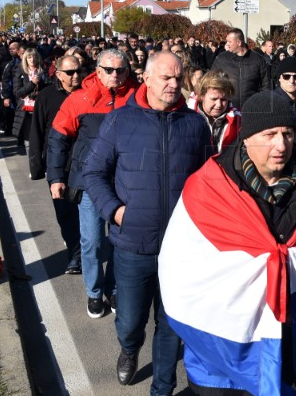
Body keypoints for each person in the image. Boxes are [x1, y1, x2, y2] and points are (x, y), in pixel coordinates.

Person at [158, 90, 296, 396]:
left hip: (294, 334)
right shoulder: (208, 186)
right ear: (247, 138)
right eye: (269, 135)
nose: (281, 145)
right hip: (227, 341)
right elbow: (180, 260)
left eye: (287, 133)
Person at [82, 51, 210, 393]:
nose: (173, 85)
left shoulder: (195, 124)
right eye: (166, 78)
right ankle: (128, 348)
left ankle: (163, 388)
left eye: (178, 78)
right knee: (129, 320)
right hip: (133, 245)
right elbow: (93, 172)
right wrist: (116, 211)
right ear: (148, 78)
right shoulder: (120, 121)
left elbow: (209, 179)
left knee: (171, 325)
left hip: (181, 248)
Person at [48, 49, 136, 319]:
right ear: (97, 71)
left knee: (123, 242)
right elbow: (58, 138)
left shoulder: (138, 97)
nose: (115, 75)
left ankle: (115, 288)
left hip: (127, 182)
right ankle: (94, 292)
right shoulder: (79, 99)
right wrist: (55, 177)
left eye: (120, 70)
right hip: (90, 183)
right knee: (93, 241)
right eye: (109, 70)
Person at [29, 55, 83, 274]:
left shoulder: (89, 95)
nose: (76, 76)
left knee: (87, 215)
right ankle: (74, 253)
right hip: (59, 166)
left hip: (86, 164)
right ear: (58, 74)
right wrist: (37, 167)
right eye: (70, 73)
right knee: (66, 215)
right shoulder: (46, 96)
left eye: (79, 70)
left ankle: (82, 253)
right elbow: (37, 133)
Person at [211, 28, 271, 108]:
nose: (227, 44)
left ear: (238, 42)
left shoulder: (258, 60)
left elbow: (266, 85)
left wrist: (261, 104)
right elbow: (211, 80)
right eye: (227, 41)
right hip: (228, 109)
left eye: (229, 42)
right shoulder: (221, 59)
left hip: (251, 109)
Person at [186, 69, 241, 152]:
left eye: (223, 100)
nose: (219, 105)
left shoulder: (238, 120)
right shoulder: (186, 118)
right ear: (202, 96)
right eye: (214, 99)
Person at [12, 48, 48, 146]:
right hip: (26, 110)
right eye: (29, 57)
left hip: (40, 107)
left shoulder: (42, 70)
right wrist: (32, 84)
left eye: (34, 57)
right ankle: (31, 160)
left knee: (41, 137)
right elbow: (17, 92)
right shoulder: (20, 71)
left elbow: (47, 88)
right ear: (25, 59)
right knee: (28, 139)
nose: (32, 60)